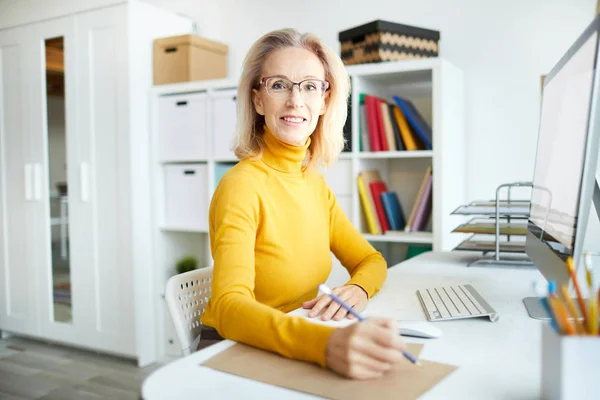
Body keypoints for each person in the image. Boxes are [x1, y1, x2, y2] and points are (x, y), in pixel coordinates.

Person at [200, 28, 407, 380]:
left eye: (310, 86)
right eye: (279, 85)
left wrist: (357, 289)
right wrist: (323, 344)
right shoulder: (241, 185)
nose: (296, 101)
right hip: (240, 347)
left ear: (325, 100)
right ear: (258, 100)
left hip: (297, 336)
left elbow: (370, 260)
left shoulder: (313, 182)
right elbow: (229, 308)